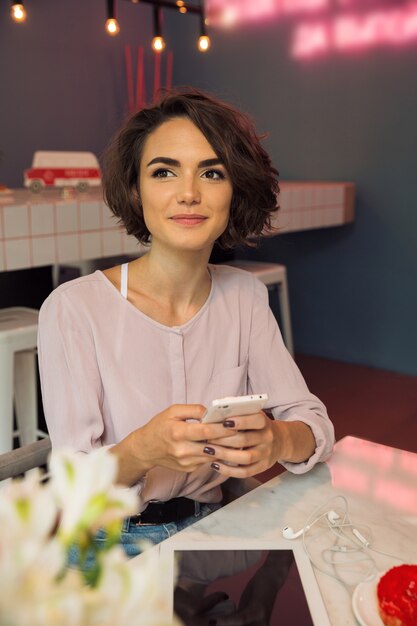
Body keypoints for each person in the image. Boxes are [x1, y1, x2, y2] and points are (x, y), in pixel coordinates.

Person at [38, 88, 335, 559]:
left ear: (234, 189)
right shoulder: (75, 309)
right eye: (164, 171)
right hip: (110, 544)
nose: (189, 193)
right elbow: (71, 489)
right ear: (135, 190)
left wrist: (276, 440)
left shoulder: (245, 296)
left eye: (212, 172)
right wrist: (141, 450)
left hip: (218, 532)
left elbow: (313, 423)